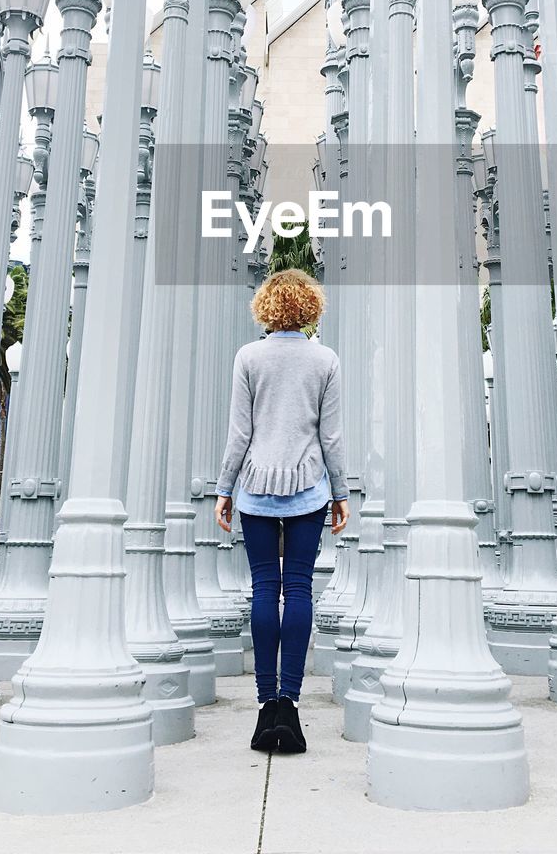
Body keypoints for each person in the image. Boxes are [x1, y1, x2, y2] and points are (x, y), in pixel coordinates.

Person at [215, 268, 349, 755]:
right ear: (310, 306)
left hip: (255, 486)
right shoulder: (325, 360)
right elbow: (330, 436)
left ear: (267, 307)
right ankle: (289, 705)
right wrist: (341, 492)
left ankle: (265, 703)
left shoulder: (249, 357)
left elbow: (239, 433)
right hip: (309, 488)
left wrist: (224, 488)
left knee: (263, 589)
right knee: (298, 589)